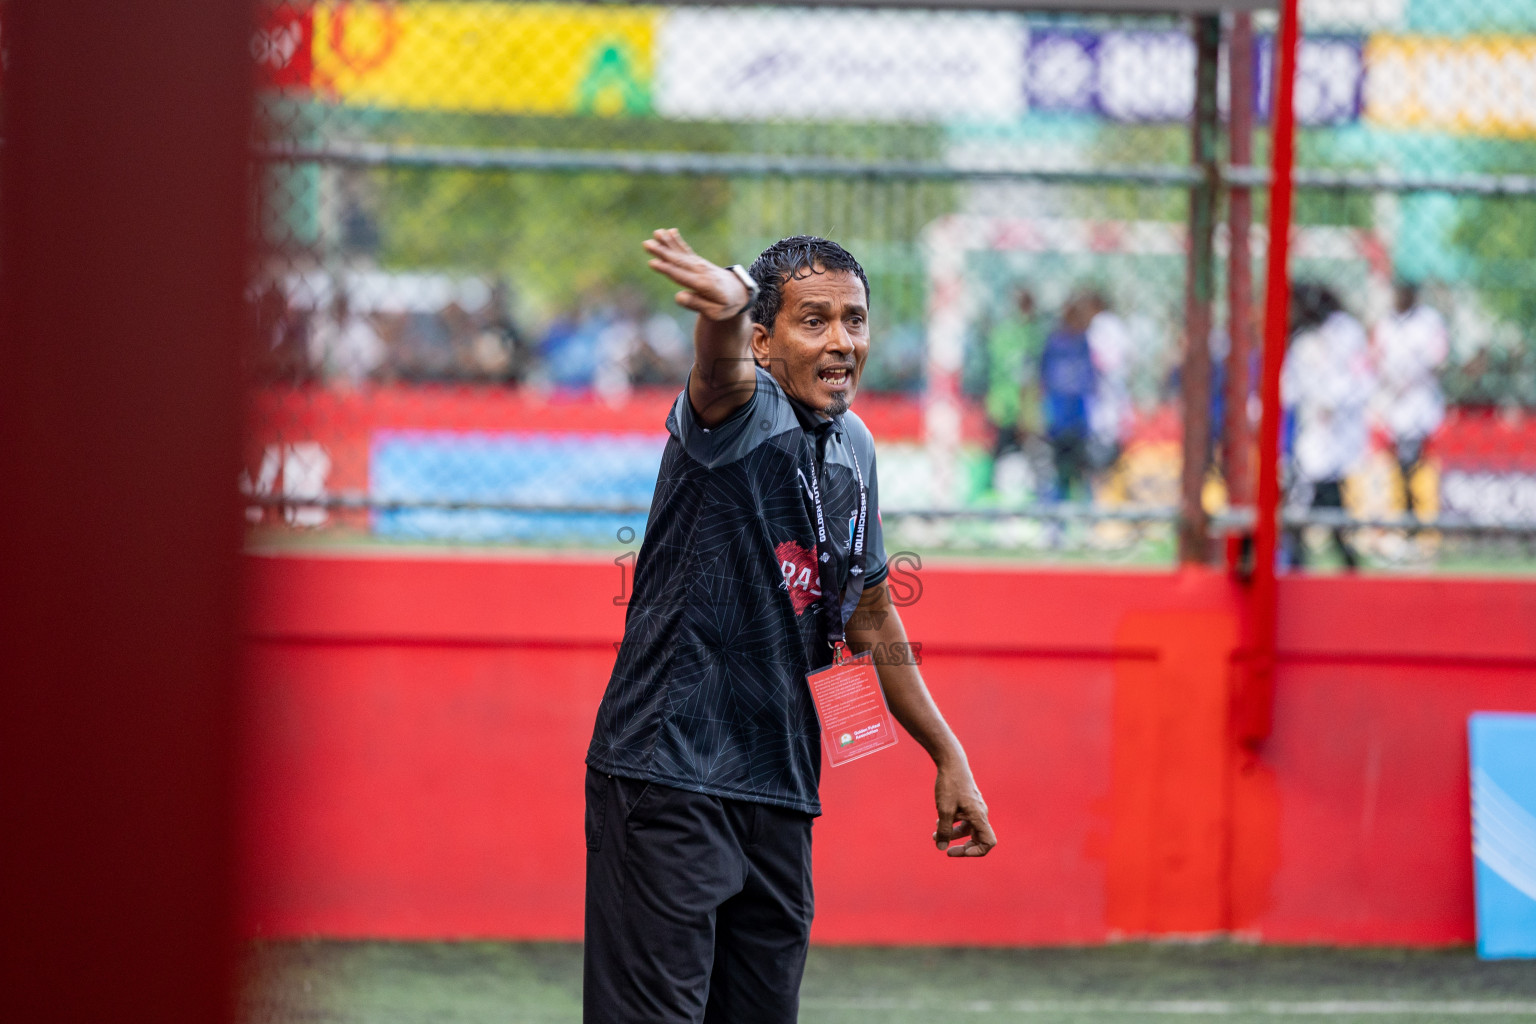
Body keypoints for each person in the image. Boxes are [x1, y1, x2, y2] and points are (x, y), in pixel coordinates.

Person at [584, 230, 995, 1023]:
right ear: (766, 343)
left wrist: (949, 755)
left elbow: (871, 611)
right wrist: (730, 306)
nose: (842, 341)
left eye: (855, 319)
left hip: (780, 787)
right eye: (815, 321)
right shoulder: (736, 406)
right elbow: (717, 364)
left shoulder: (856, 446)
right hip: (669, 775)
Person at [1281, 283, 1374, 570]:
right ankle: (1323, 559)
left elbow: (1362, 379)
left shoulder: (1346, 331)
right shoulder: (1302, 337)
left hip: (1340, 427)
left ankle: (1305, 559)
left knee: (1315, 491)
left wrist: (1333, 401)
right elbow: (1290, 385)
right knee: (1313, 490)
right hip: (1310, 430)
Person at [1373, 279, 1448, 520]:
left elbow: (1438, 359)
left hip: (1420, 398)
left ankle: (1415, 512)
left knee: (1414, 456)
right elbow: (1376, 359)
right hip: (1392, 398)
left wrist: (1412, 374)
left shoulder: (1429, 321)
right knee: (1396, 457)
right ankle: (1405, 512)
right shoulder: (1386, 323)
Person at [982, 288, 1042, 491]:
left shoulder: (1001, 333)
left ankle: (995, 492)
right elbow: (1024, 376)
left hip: (1000, 404)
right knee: (1024, 459)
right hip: (1016, 407)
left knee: (1000, 457)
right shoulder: (1028, 335)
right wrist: (1026, 414)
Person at [1039, 296, 1097, 501]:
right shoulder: (1055, 342)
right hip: (1060, 417)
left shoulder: (1082, 342)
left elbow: (1090, 379)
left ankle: (1087, 515)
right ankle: (1057, 520)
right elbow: (1044, 377)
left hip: (1078, 417)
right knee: (1059, 471)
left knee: (1083, 471)